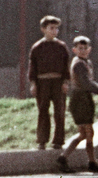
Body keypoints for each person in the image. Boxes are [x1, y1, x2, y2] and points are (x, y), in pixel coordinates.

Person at [61, 36, 98, 172]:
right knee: (88, 132)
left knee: (84, 134)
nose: (83, 51)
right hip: (80, 100)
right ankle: (92, 162)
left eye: (85, 48)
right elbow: (85, 82)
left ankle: (64, 157)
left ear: (89, 50)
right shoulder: (78, 64)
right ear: (74, 49)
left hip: (84, 99)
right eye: (80, 48)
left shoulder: (85, 62)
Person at [28, 15, 73, 150]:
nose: (54, 31)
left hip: (58, 82)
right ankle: (42, 140)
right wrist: (33, 84)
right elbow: (33, 67)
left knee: (59, 111)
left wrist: (65, 81)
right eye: (51, 28)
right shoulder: (37, 47)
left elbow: (66, 65)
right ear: (43, 29)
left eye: (56, 28)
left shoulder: (61, 46)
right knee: (43, 111)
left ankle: (58, 141)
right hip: (42, 82)